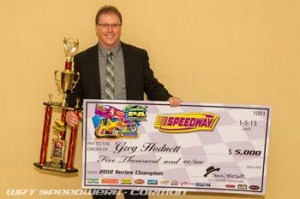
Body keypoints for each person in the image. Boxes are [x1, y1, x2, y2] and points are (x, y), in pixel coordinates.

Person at [65, 5, 181, 199]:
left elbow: (151, 86)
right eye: (105, 25)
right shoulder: (82, 60)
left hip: (133, 138)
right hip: (99, 139)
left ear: (120, 27)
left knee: (137, 196)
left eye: (114, 25)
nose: (110, 30)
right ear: (97, 28)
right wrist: (70, 111)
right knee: (103, 196)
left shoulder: (138, 56)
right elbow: (75, 93)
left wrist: (168, 99)